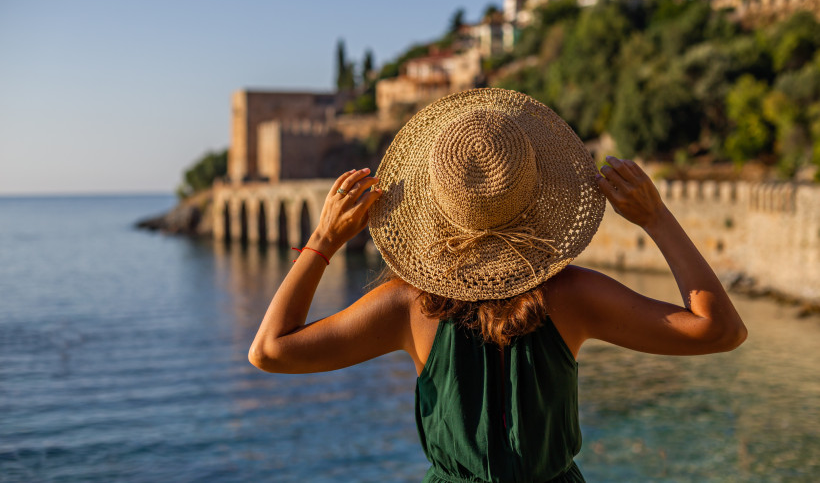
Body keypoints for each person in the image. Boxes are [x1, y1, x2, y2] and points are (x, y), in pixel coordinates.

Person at [248, 88, 747, 482]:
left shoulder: (409, 306)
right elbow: (721, 330)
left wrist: (323, 239)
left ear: (435, 204)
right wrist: (657, 219)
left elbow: (270, 350)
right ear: (538, 189)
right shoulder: (573, 297)